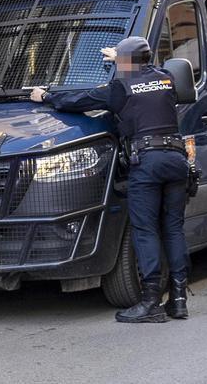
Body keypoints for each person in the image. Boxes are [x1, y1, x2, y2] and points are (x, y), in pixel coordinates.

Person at [30, 37, 190, 323]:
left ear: (125, 63)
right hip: (177, 160)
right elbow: (145, 71)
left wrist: (45, 96)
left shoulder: (120, 88)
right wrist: (123, 57)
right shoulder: (166, 79)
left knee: (145, 230)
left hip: (148, 163)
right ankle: (179, 300)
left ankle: (151, 302)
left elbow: (78, 101)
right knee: (173, 229)